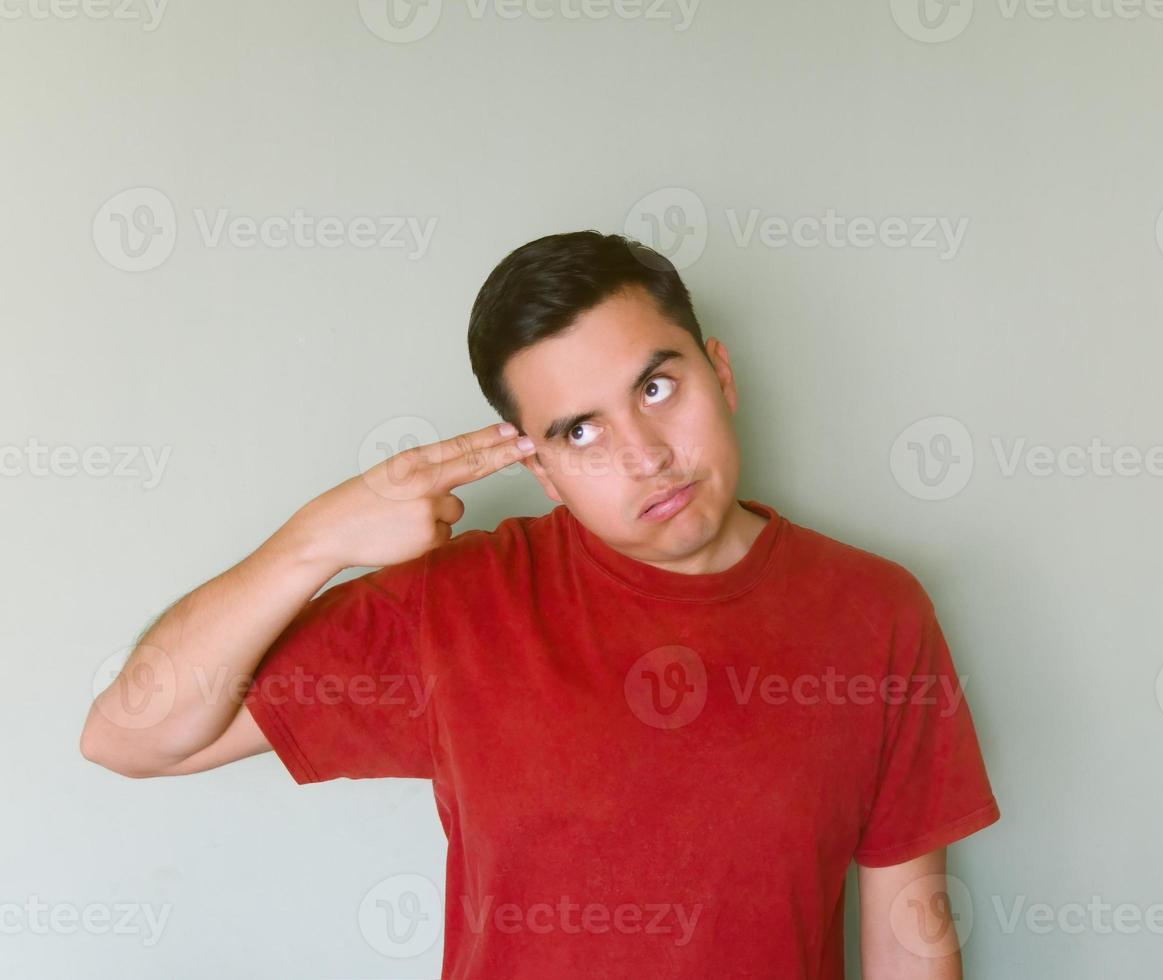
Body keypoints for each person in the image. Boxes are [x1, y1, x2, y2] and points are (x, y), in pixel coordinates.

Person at [78, 231, 1001, 978]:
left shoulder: (876, 611)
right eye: (581, 431)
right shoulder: (457, 607)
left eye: (656, 385)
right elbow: (131, 735)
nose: (644, 453)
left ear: (720, 373)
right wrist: (318, 539)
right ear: (543, 472)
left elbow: (907, 935)